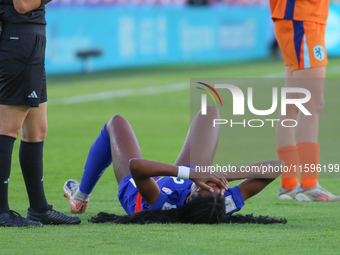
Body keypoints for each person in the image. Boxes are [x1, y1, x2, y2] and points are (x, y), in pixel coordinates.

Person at [64, 106, 286, 224]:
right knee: (210, 112)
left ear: (190, 199)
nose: (213, 185)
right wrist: (222, 175)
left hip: (136, 185)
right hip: (182, 180)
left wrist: (191, 173)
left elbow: (137, 167)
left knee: (116, 123)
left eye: (206, 186)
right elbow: (277, 166)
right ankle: (193, 175)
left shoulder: (162, 205)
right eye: (219, 188)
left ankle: (80, 198)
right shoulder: (221, 203)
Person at [0, 0, 81, 226]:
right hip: (19, 39)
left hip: (31, 39)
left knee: (37, 131)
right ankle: (1, 212)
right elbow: (23, 4)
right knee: (7, 129)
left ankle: (39, 209)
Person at [270, 0, 340, 201]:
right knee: (311, 104)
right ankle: (309, 186)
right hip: (302, 16)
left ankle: (289, 185)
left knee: (292, 105)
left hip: (297, 17)